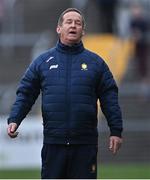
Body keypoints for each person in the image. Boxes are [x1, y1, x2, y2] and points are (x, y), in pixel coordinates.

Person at [7, 8, 123, 179]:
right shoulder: (42, 62)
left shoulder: (96, 63)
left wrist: (116, 130)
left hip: (85, 144)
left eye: (78, 23)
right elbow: (26, 93)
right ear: (59, 28)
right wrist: (15, 119)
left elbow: (110, 98)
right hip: (54, 144)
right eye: (69, 22)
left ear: (83, 31)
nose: (73, 26)